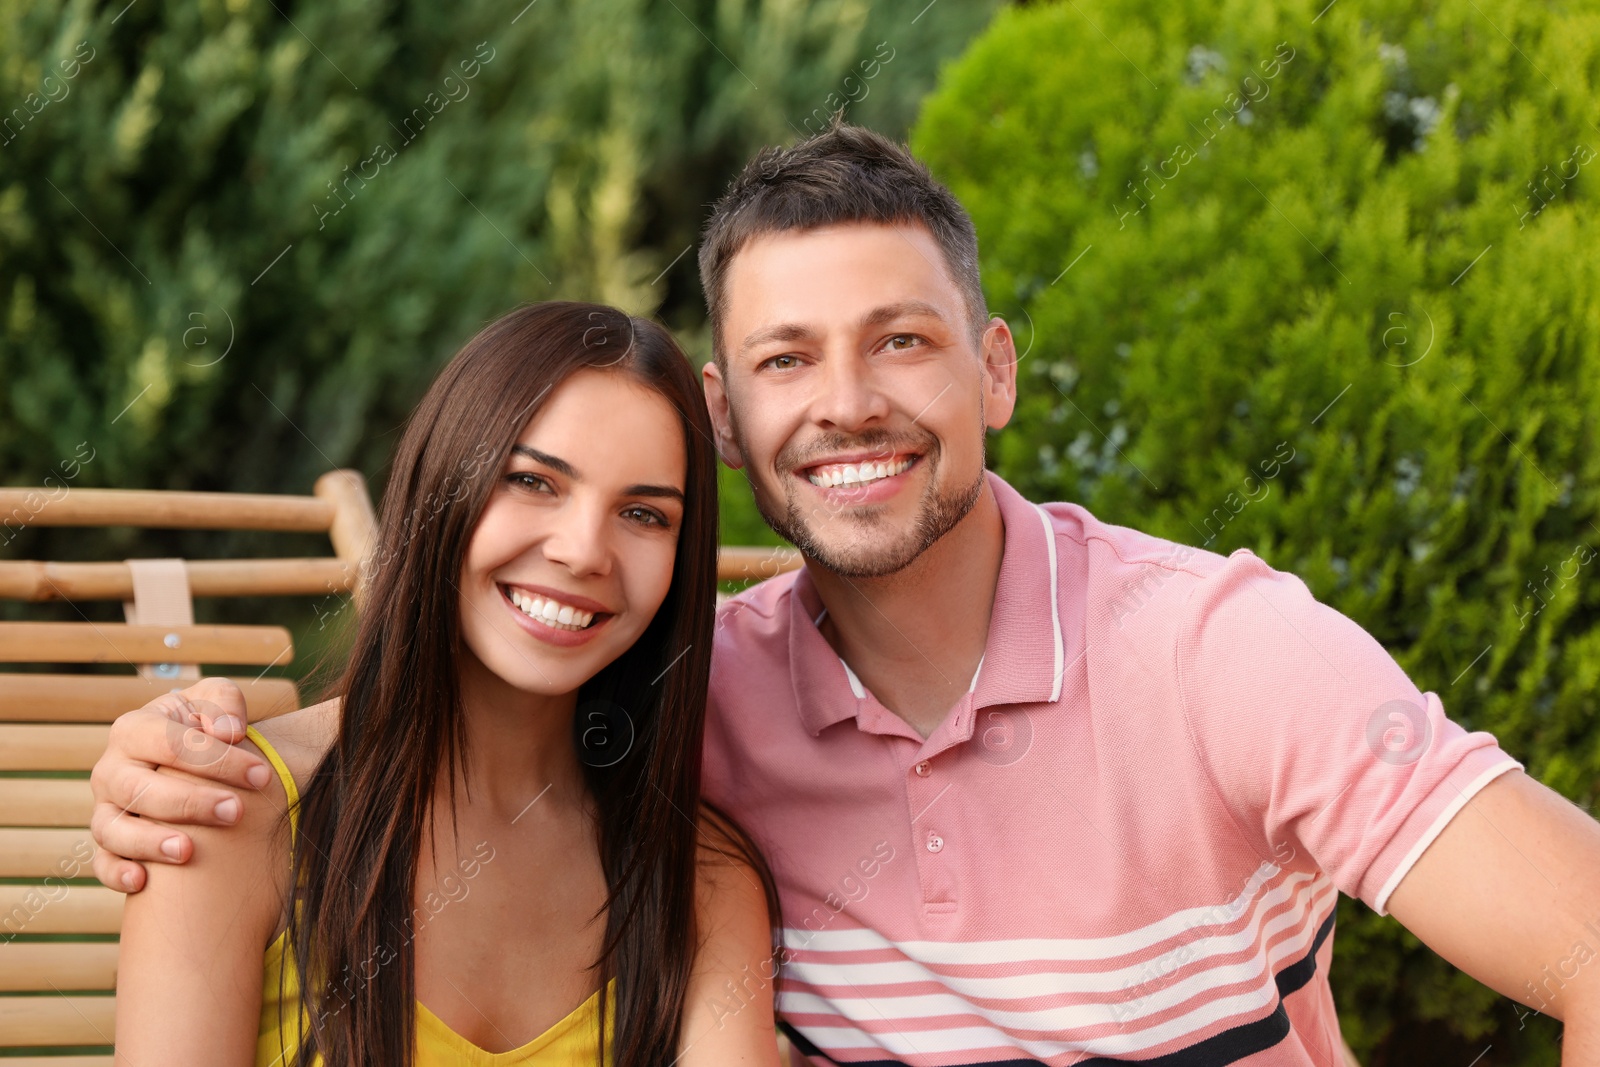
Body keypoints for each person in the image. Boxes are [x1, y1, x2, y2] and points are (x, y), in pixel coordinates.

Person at [91, 127, 1600, 1065]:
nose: (850, 404)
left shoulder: (1228, 656)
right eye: (789, 358)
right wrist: (175, 748)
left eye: (902, 341)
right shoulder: (708, 712)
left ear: (994, 364)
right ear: (732, 416)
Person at [108, 302, 782, 1066]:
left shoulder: (703, 880)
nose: (583, 550)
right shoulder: (229, 807)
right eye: (532, 480)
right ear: (442, 486)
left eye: (643, 513)